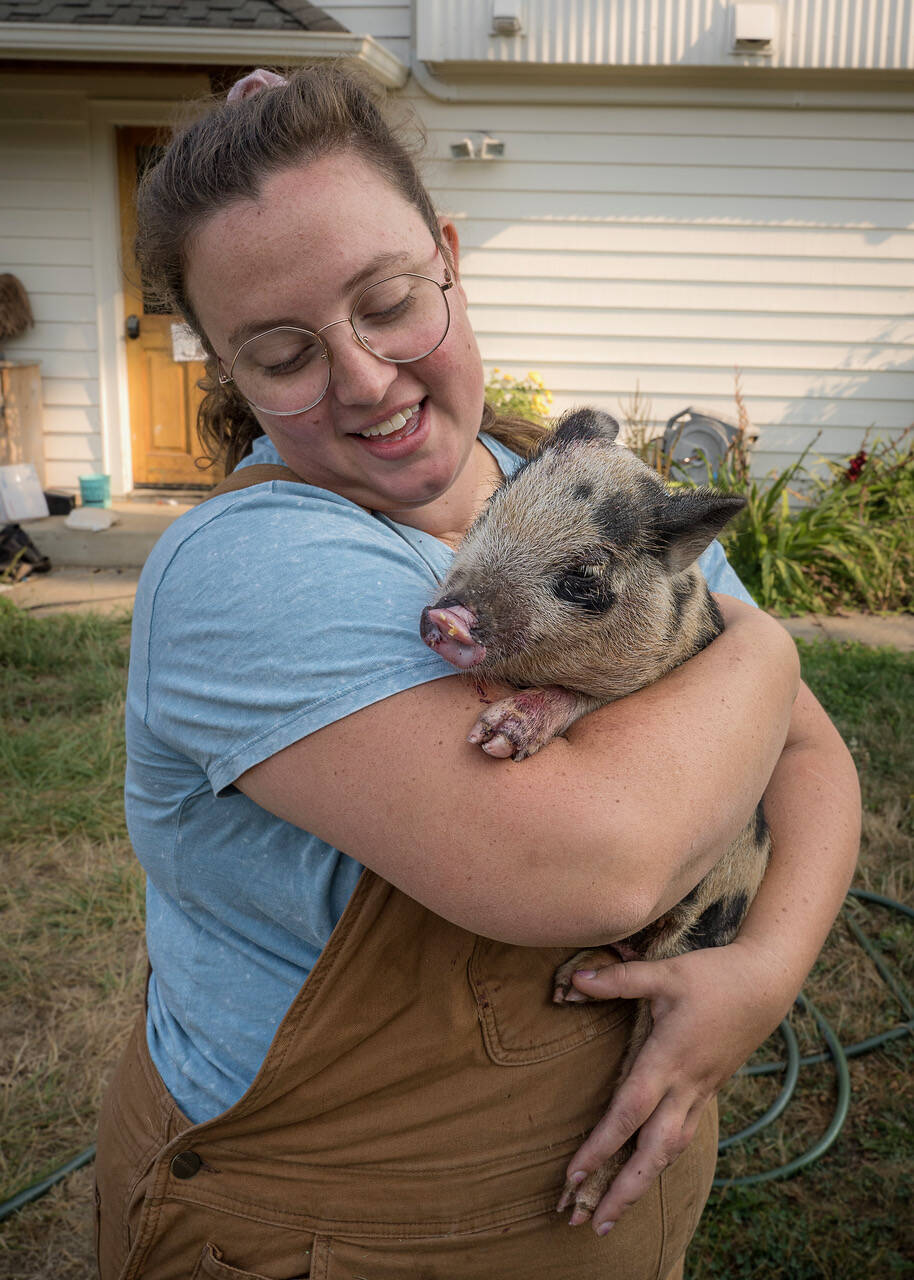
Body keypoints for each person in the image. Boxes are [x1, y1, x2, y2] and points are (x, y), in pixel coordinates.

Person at [95, 64, 860, 1280]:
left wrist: (761, 974)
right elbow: (594, 862)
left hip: (620, 1173)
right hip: (335, 1219)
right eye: (282, 351)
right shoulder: (247, 569)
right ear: (226, 372)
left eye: (389, 299)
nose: (363, 378)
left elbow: (812, 751)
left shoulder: (558, 480)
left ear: (449, 255)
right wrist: (760, 642)